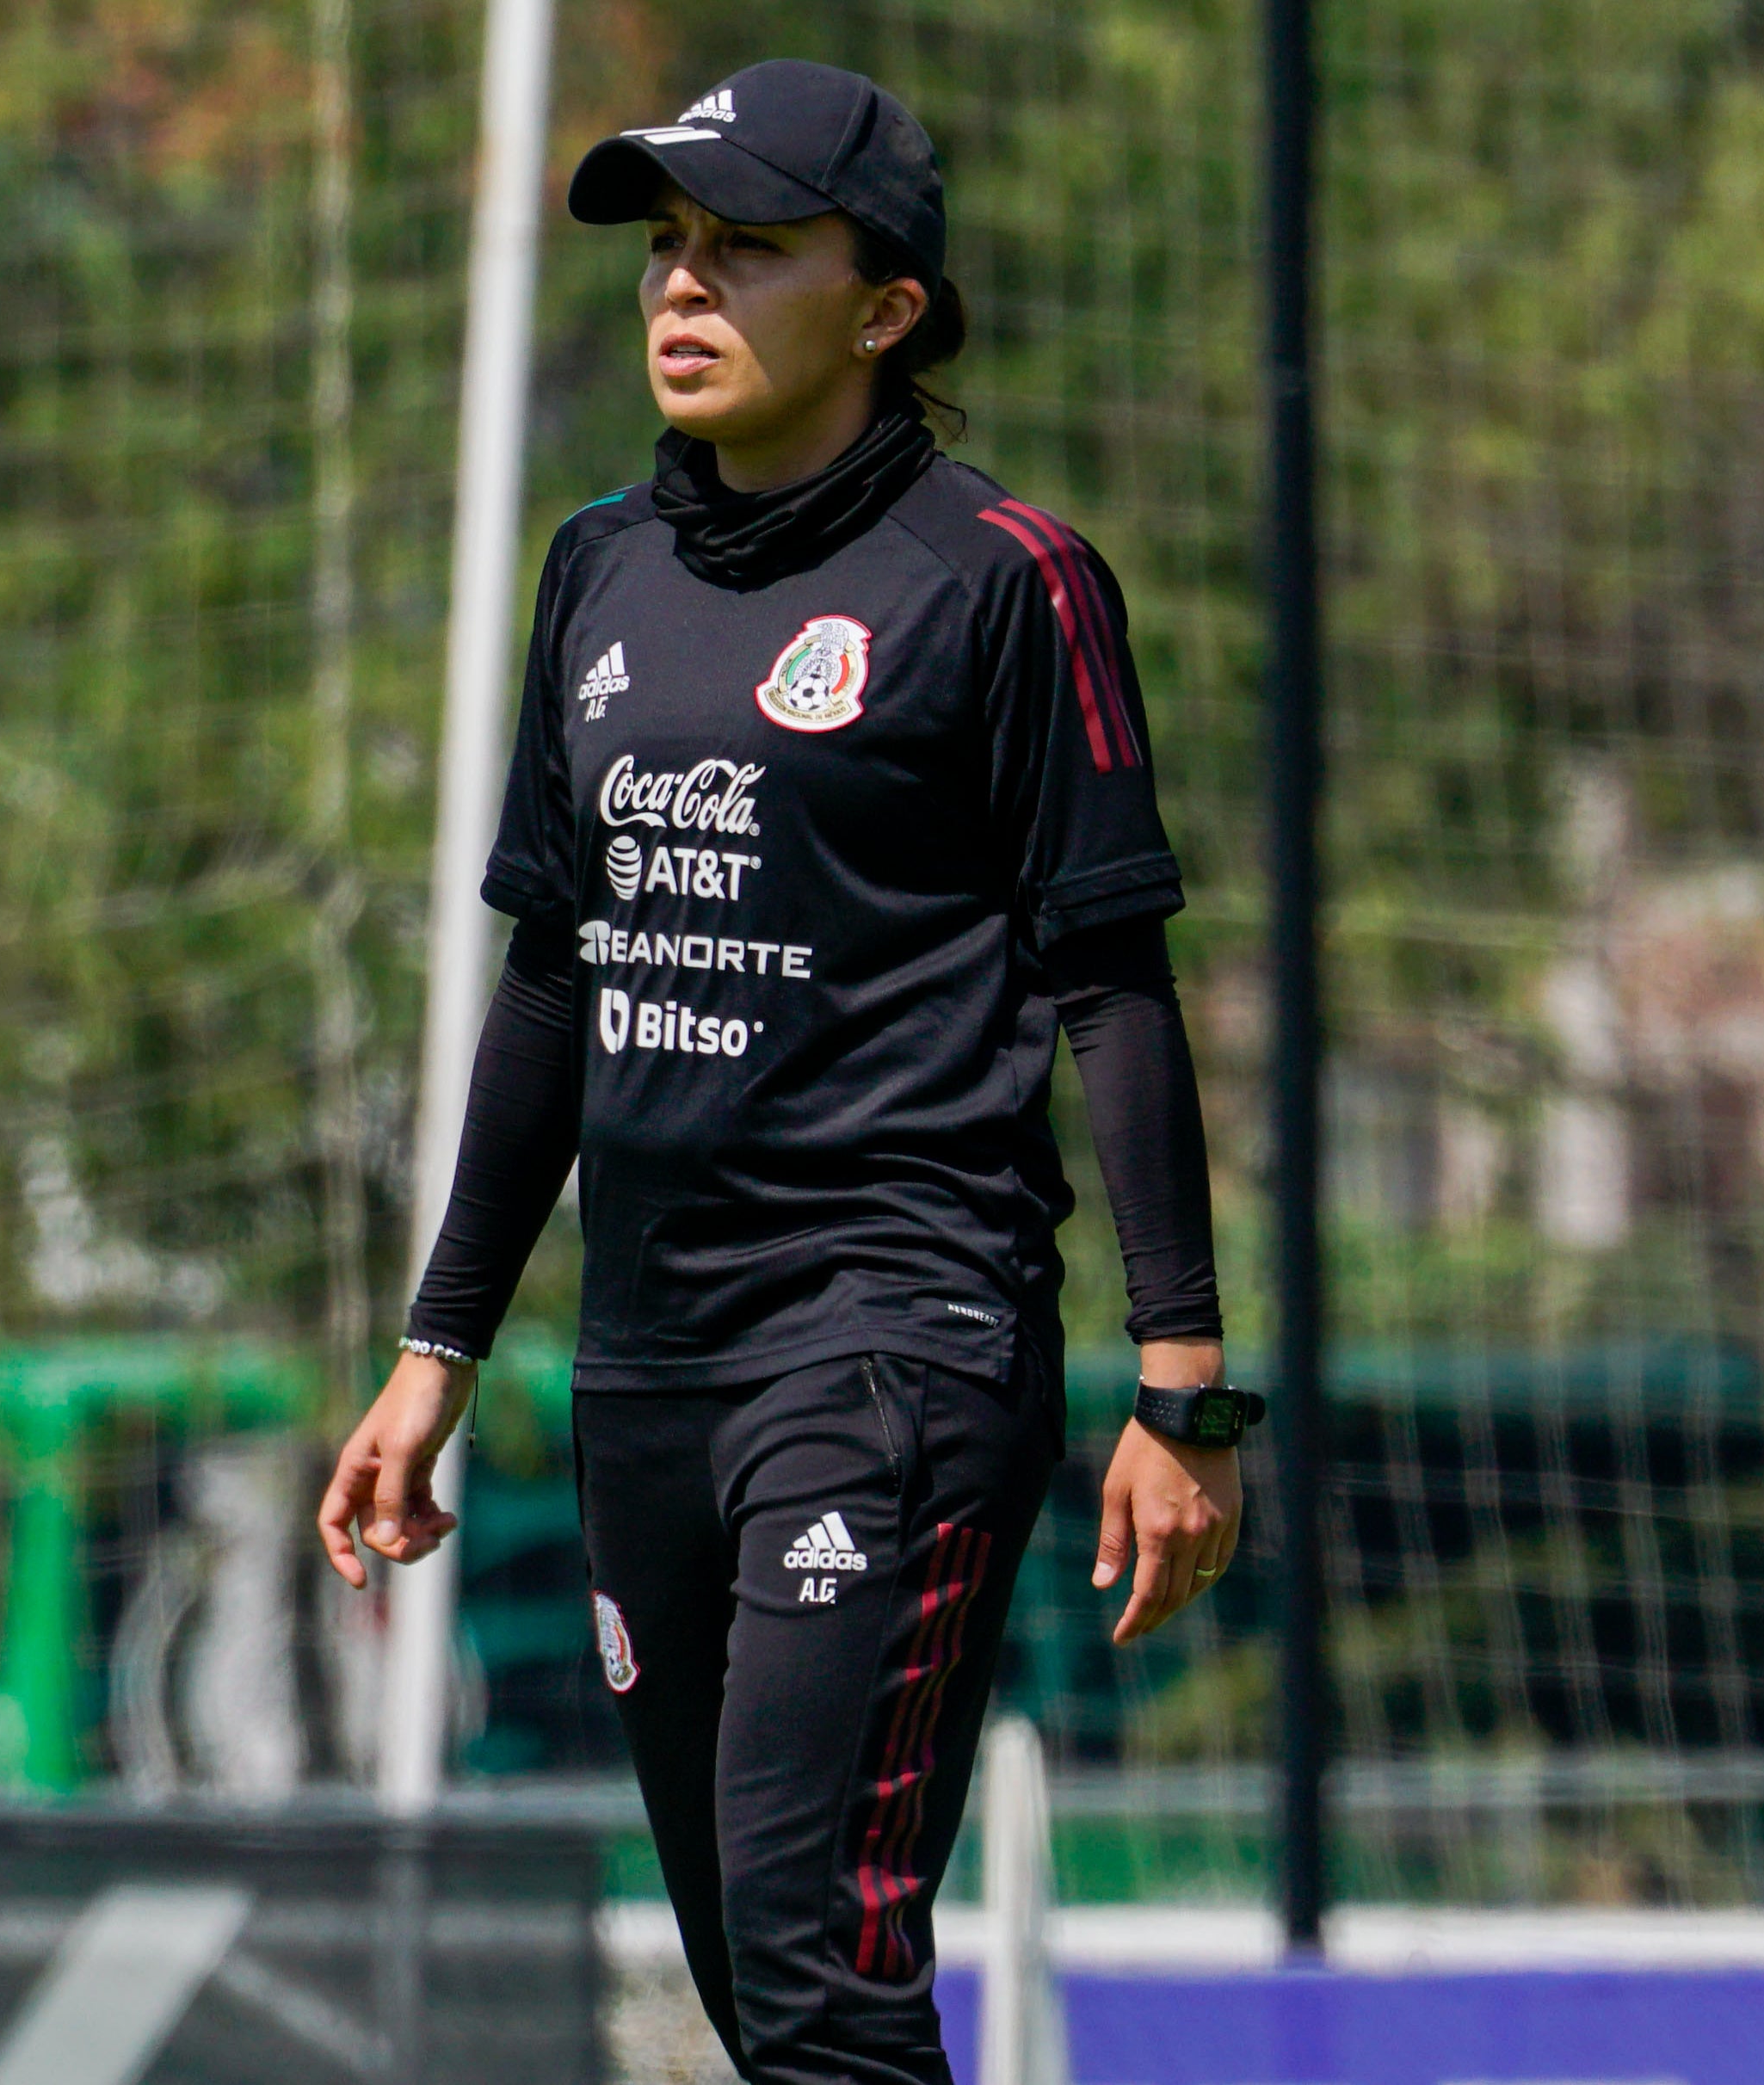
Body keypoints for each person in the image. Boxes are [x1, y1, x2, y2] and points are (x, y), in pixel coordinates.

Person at [315, 59, 1262, 2085]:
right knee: (763, 1999)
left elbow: (1113, 987)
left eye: (746, 248)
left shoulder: (1007, 579)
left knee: (809, 1953)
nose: (683, 289)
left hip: (896, 1337)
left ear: (887, 303)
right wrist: (438, 1348)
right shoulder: (598, 568)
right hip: (651, 1363)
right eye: (667, 250)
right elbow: (557, 979)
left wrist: (1182, 1385)